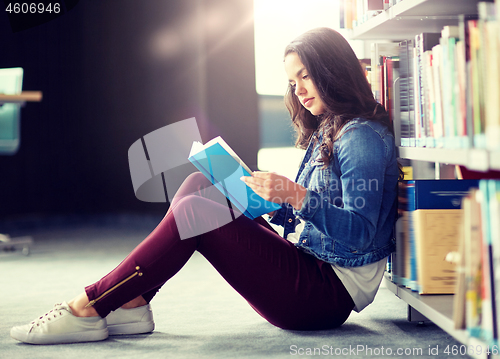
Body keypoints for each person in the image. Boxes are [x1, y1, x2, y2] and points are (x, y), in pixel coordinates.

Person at [10, 27, 401, 345]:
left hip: (324, 297)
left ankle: (91, 305)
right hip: (313, 269)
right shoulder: (331, 128)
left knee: (196, 211)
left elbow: (360, 233)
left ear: (333, 70)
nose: (297, 89)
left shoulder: (360, 137)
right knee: (200, 182)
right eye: (291, 80)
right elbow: (307, 220)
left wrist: (295, 195)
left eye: (305, 75)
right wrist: (261, 195)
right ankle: (132, 301)